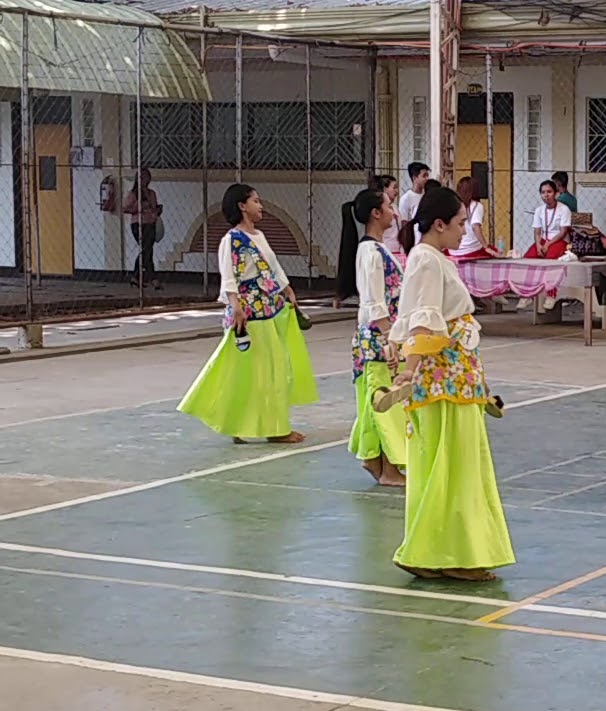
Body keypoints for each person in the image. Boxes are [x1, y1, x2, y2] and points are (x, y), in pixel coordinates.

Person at [378, 186, 515, 582]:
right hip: (443, 380)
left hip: (456, 377)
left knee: (452, 465)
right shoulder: (426, 260)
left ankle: (443, 550)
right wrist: (409, 369)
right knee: (452, 467)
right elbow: (423, 319)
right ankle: (446, 552)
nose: (462, 232)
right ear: (438, 224)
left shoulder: (433, 258)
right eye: (458, 224)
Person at [178, 184, 319, 444]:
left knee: (269, 370)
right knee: (254, 371)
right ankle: (270, 428)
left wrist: (287, 289)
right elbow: (229, 276)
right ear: (242, 206)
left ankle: (256, 424)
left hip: (268, 309)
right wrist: (236, 307)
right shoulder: (231, 240)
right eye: (255, 201)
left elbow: (273, 267)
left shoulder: (260, 236)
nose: (260, 205)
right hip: (249, 314)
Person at [336, 187, 408, 487]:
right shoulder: (370, 252)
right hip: (380, 338)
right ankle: (389, 468)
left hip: (382, 335)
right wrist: (391, 339)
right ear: (376, 214)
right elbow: (374, 301)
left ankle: (375, 459)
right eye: (390, 206)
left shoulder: (378, 248)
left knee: (377, 400)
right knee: (387, 402)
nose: (394, 212)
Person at [123, 167, 163, 291]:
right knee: (146, 249)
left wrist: (156, 211)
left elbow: (155, 207)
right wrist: (138, 206)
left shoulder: (152, 193)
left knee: (147, 250)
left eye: (147, 177)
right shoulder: (133, 193)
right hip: (138, 224)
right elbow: (125, 208)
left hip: (150, 223)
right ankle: (153, 278)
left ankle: (136, 277)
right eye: (142, 177)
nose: (145, 180)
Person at [449, 176, 499, 262]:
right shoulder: (476, 206)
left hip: (452, 250)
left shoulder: (452, 204)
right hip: (471, 250)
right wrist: (486, 247)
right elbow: (476, 227)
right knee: (496, 253)